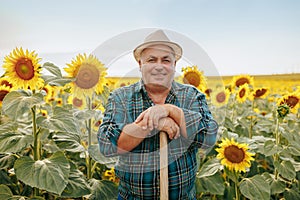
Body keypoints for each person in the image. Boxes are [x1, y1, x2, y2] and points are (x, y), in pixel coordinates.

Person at [98, 29, 218, 199]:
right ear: (140, 64)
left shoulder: (191, 96)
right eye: (151, 60)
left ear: (174, 65)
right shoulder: (121, 97)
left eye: (166, 60)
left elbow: (209, 138)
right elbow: (107, 146)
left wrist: (169, 110)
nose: (159, 66)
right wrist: (153, 123)